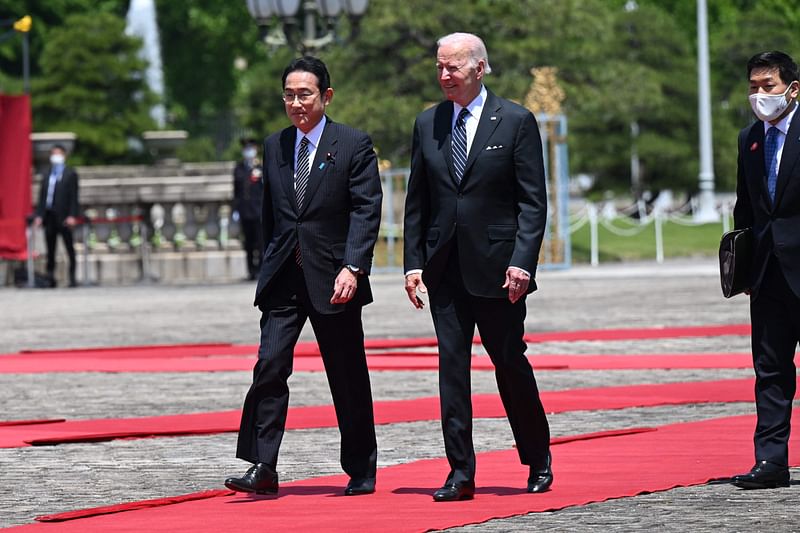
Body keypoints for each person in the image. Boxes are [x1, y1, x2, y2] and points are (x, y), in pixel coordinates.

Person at [403, 32, 552, 501]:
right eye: (440, 67)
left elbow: (533, 203)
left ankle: (537, 456)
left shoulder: (515, 121)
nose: (445, 75)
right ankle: (460, 472)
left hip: (499, 269)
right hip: (444, 268)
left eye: (454, 68)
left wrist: (522, 263)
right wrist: (413, 263)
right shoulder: (427, 124)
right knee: (451, 370)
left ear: (480, 68)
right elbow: (417, 201)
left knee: (508, 362)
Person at [224, 56, 382, 497]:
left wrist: (353, 266)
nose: (296, 103)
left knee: (346, 374)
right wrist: (265, 264)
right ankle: (263, 464)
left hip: (334, 278)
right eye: (289, 95)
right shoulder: (275, 146)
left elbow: (366, 209)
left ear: (326, 96)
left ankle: (361, 466)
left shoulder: (352, 144)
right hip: (283, 278)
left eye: (305, 94)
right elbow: (272, 215)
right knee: (269, 365)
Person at [731, 50, 800, 490]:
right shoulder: (750, 139)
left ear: (792, 88)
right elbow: (746, 209)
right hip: (769, 273)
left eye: (768, 86)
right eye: (753, 87)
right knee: (770, 370)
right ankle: (771, 462)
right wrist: (743, 269)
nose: (760, 95)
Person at [33, 144, 80, 288]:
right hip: (49, 216)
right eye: (53, 154)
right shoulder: (47, 174)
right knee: (50, 249)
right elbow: (42, 197)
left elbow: (74, 197)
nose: (55, 156)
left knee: (69, 248)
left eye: (58, 153)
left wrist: (72, 215)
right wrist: (39, 215)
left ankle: (72, 277)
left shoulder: (70, 173)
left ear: (64, 155)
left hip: (64, 216)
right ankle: (50, 277)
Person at [233, 137, 264, 280]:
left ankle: (261, 270)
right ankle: (251, 270)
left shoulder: (261, 168)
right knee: (248, 243)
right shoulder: (239, 168)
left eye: (250, 148)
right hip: (245, 211)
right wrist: (236, 210)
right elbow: (236, 191)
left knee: (260, 242)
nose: (248, 151)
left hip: (258, 210)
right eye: (246, 149)